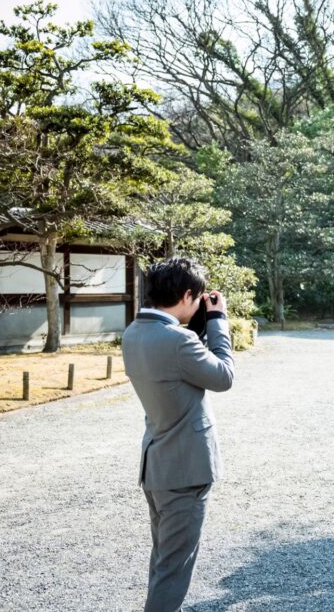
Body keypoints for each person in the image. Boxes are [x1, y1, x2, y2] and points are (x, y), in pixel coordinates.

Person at [121, 257, 235, 612]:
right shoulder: (178, 341)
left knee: (164, 559)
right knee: (174, 568)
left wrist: (200, 324)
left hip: (156, 464)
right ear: (187, 295)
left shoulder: (133, 333)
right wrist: (217, 320)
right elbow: (224, 376)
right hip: (185, 469)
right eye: (199, 298)